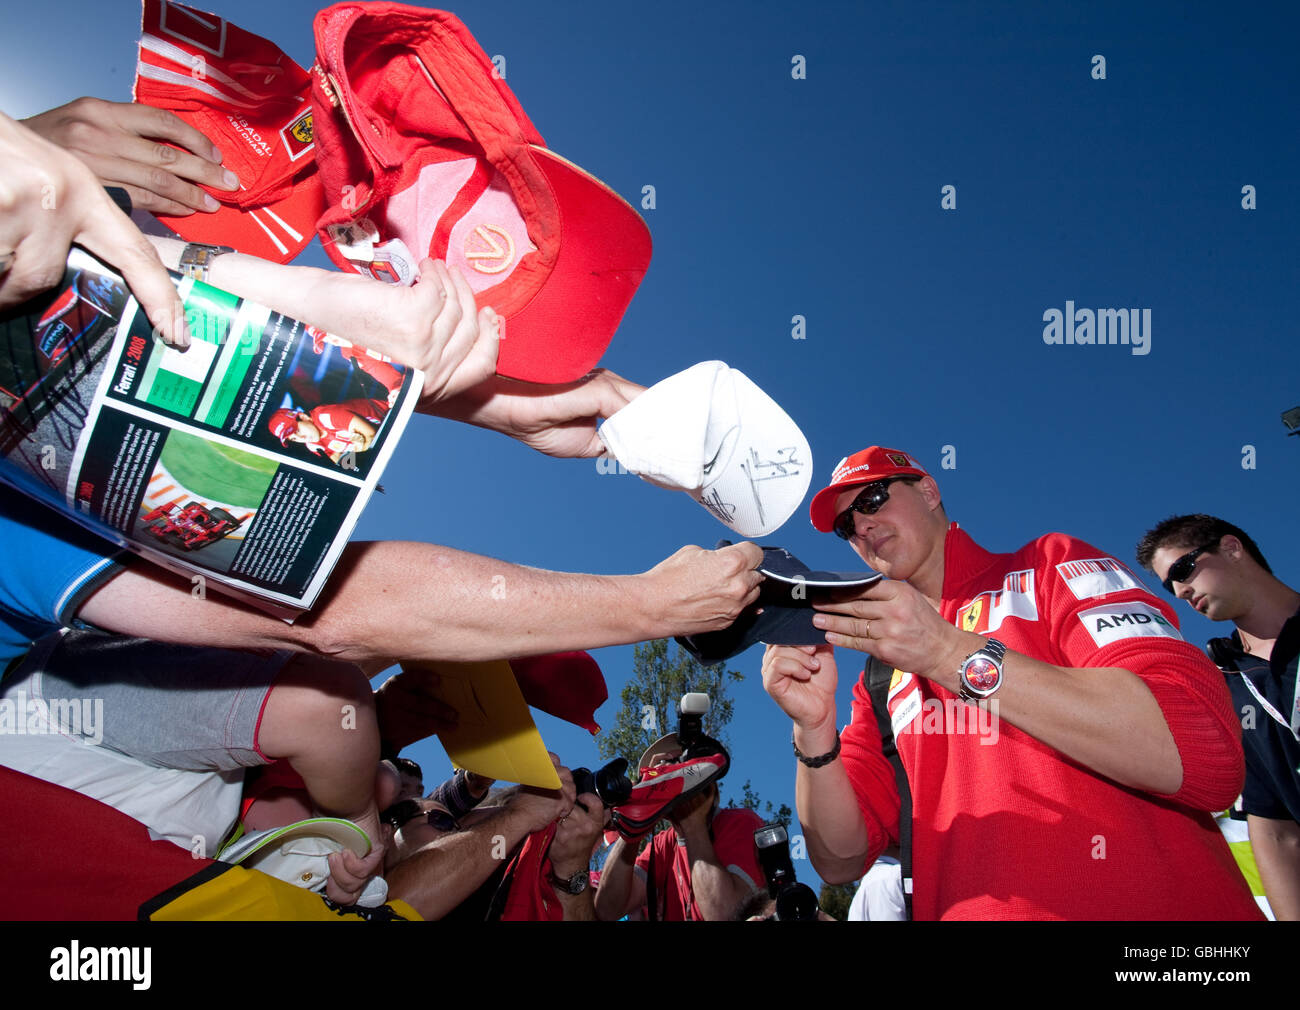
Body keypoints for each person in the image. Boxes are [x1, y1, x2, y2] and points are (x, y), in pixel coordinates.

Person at [760, 445, 1260, 919]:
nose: (862, 524)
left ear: (929, 491)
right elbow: (840, 858)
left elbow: (1202, 748)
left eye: (872, 498)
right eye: (846, 525)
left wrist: (945, 652)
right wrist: (815, 731)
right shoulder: (881, 674)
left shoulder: (1049, 566)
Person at [1136, 514, 1300, 920]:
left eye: (1182, 569)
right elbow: (1277, 832)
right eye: (1168, 584)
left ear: (1232, 548)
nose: (1179, 590)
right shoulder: (1226, 684)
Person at [593, 761, 765, 922]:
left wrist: (691, 824)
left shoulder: (739, 822)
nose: (664, 774)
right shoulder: (662, 844)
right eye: (655, 772)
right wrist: (634, 821)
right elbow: (607, 909)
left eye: (674, 765)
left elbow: (725, 914)